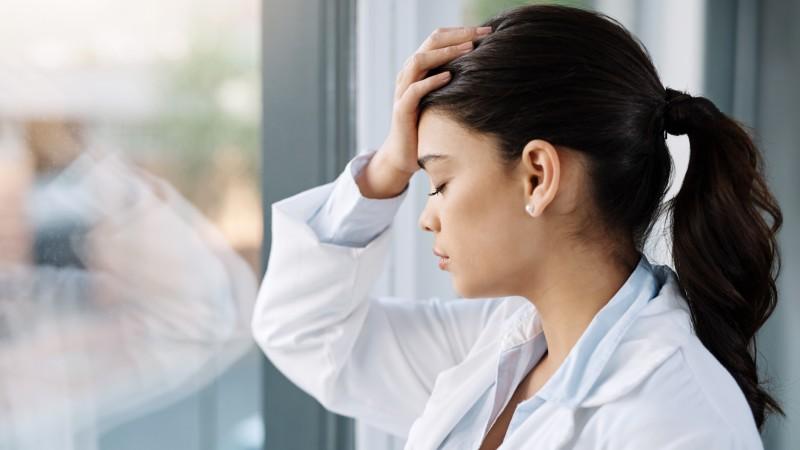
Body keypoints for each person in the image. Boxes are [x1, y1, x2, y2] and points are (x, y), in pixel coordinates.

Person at [252, 4, 783, 449]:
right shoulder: (502, 343)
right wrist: (387, 168)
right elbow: (305, 333)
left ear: (537, 176)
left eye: (438, 182)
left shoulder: (675, 422)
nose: (425, 216)